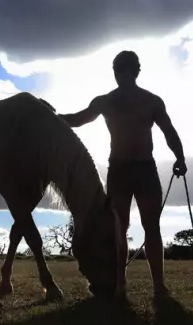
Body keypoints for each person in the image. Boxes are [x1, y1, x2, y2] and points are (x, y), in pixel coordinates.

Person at [58, 50, 186, 298]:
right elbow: (77, 119)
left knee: (151, 227)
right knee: (120, 229)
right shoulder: (104, 101)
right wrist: (52, 116)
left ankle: (158, 287)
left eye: (125, 70)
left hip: (144, 169)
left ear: (136, 72)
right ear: (115, 73)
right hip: (119, 170)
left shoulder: (152, 101)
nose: (122, 75)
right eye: (118, 71)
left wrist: (180, 157)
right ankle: (121, 285)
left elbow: (169, 132)